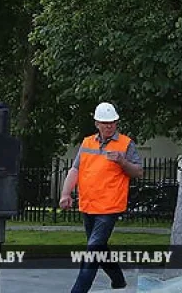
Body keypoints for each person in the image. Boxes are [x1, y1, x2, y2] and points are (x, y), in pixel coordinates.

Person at [59, 102, 144, 293]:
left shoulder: (125, 144)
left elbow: (138, 172)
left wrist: (122, 161)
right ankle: (119, 281)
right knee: (99, 249)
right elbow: (75, 169)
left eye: (113, 122)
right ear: (97, 123)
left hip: (109, 207)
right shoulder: (88, 142)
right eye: (105, 123)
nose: (109, 126)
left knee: (92, 251)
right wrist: (65, 194)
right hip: (88, 204)